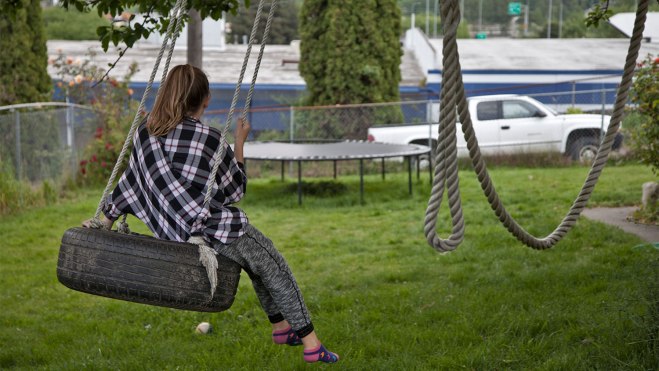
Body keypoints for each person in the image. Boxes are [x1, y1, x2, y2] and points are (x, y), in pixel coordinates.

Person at [83, 64, 339, 364]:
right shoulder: (210, 139)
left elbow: (130, 182)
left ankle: (281, 327)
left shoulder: (144, 134)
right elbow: (235, 191)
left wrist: (105, 220)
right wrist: (240, 143)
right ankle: (312, 344)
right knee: (274, 266)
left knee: (257, 267)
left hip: (179, 234)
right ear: (203, 99)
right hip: (217, 229)